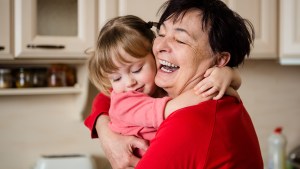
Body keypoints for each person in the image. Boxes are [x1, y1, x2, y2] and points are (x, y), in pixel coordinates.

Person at [86, 0, 264, 168]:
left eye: (180, 39)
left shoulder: (190, 123)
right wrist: (105, 131)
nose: (161, 46)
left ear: (220, 59)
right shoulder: (215, 97)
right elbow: (109, 96)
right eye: (161, 34)